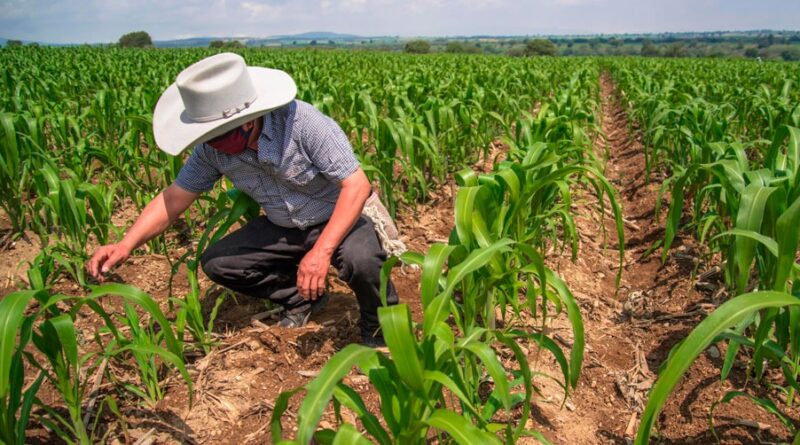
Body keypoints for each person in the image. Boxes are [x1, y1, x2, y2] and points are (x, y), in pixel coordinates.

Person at [87, 53, 399, 347]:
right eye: (208, 137)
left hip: (338, 217)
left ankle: (378, 326)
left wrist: (321, 251)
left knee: (363, 260)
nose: (215, 146)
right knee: (219, 262)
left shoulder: (303, 124)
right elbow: (174, 198)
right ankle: (301, 297)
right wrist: (125, 244)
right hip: (284, 226)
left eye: (221, 135)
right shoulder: (212, 150)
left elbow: (356, 186)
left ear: (249, 119)